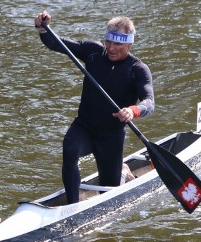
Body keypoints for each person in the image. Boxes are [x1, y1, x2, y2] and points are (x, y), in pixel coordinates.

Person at [34, 11, 154, 204]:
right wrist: (42, 27)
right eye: (109, 42)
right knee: (69, 148)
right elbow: (56, 43)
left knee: (109, 192)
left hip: (111, 137)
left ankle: (122, 171)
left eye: (118, 44)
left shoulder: (138, 69)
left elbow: (149, 102)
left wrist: (133, 110)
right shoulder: (93, 52)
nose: (111, 48)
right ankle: (72, 207)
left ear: (129, 44)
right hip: (84, 127)